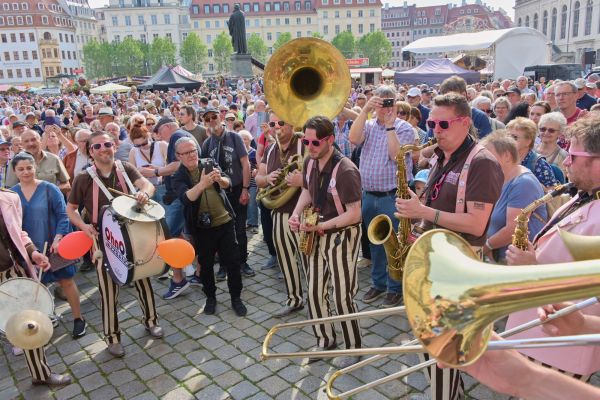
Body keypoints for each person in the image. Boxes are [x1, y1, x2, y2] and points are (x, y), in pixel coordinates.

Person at [395, 93, 503, 400]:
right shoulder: (441, 155)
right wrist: (415, 214)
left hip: (460, 266)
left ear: (465, 122)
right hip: (435, 259)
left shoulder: (481, 162)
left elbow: (476, 225)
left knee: (442, 348)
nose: (435, 129)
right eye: (432, 122)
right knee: (432, 345)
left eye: (443, 123)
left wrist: (423, 212)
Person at [505, 114, 600, 383]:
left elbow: (590, 290)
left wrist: (533, 268)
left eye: (573, 156)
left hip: (562, 344)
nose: (566, 162)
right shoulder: (584, 193)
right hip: (541, 331)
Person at [66, 131, 163, 358]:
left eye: (107, 144)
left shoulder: (125, 168)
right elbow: (71, 209)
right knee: (108, 290)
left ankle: (151, 321)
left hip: (133, 233)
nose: (103, 149)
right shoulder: (84, 178)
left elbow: (147, 185)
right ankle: (112, 337)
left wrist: (144, 194)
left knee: (143, 279)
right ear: (90, 152)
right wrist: (83, 226)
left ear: (114, 145)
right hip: (103, 240)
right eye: (97, 146)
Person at [289, 115, 363, 369]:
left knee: (343, 296)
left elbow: (355, 213)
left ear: (330, 140)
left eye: (315, 142)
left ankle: (354, 347)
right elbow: (308, 191)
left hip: (342, 235)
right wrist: (296, 213)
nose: (309, 146)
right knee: (313, 291)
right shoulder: (310, 161)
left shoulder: (346, 170)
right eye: (306, 141)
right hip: (316, 231)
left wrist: (321, 225)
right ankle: (325, 339)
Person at [349, 85, 415, 308]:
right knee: (375, 243)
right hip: (368, 194)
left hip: (391, 195)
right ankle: (378, 283)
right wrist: (364, 109)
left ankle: (394, 287)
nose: (385, 106)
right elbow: (353, 138)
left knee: (394, 244)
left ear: (396, 104)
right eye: (380, 101)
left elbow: (396, 155)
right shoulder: (367, 124)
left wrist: (389, 127)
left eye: (389, 102)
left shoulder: (404, 127)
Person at [0, 187, 71, 386]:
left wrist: (33, 252)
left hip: (12, 274)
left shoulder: (8, 197)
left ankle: (40, 374)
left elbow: (18, 233)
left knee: (28, 323)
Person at [11, 152, 86, 338]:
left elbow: (62, 215)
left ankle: (78, 319)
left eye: (29, 167)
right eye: (21, 169)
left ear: (35, 167)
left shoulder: (49, 188)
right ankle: (46, 318)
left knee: (66, 281)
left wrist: (59, 238)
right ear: (14, 171)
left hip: (55, 245)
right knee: (39, 287)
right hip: (31, 249)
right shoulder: (12, 194)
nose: (26, 172)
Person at [171, 137, 247, 316]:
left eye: (193, 151)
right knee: (205, 266)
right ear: (178, 156)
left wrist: (220, 179)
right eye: (186, 153)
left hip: (225, 222)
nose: (191, 155)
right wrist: (202, 184)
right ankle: (210, 298)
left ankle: (236, 298)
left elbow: (227, 183)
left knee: (233, 262)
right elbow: (186, 198)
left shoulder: (208, 163)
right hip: (202, 228)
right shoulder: (178, 175)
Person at [255, 113, 305, 317]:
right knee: (285, 258)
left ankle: (320, 300)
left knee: (309, 259)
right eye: (273, 123)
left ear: (292, 124)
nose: (277, 127)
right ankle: (295, 299)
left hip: (303, 213)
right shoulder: (270, 148)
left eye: (281, 123)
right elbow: (258, 178)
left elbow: (324, 172)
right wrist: (267, 178)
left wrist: (302, 180)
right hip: (278, 212)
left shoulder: (304, 143)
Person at [144, 117, 197, 299]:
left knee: (169, 238)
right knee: (183, 235)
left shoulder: (177, 137)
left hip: (177, 197)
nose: (159, 137)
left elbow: (177, 165)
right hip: (180, 195)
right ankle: (194, 272)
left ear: (166, 127)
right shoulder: (183, 135)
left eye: (159, 132)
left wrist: (154, 172)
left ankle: (178, 279)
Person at [201, 107, 254, 279]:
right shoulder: (207, 144)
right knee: (221, 231)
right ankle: (224, 264)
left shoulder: (234, 137)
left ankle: (242, 262)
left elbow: (245, 164)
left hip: (237, 188)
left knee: (240, 229)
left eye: (214, 116)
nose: (211, 120)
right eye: (207, 119)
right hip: (218, 193)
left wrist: (245, 189)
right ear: (205, 123)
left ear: (220, 117)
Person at [480, 131, 547, 263]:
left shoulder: (523, 183)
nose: (482, 159)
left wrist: (486, 247)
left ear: (507, 156)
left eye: (487, 155)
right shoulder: (499, 177)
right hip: (499, 255)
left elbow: (513, 229)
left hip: (514, 261)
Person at [5, 129, 70, 192]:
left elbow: (67, 185)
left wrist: (49, 190)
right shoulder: (15, 162)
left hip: (51, 201)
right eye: (26, 141)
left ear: (40, 140)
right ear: (22, 144)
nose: (30, 143)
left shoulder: (54, 159)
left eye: (33, 140)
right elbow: (11, 189)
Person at [506, 117, 559, 189]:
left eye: (515, 137)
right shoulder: (503, 158)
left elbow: (552, 192)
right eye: (507, 136)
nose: (509, 140)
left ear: (528, 141)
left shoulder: (539, 164)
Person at [128, 123, 168, 204]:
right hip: (145, 190)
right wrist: (139, 171)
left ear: (148, 136)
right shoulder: (133, 151)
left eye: (144, 143)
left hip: (163, 188)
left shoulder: (162, 145)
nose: (142, 147)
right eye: (138, 145)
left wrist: (156, 170)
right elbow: (131, 174)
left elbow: (171, 167)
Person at [535, 112, 569, 178]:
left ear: (560, 133)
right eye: (543, 129)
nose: (546, 132)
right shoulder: (530, 149)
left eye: (551, 130)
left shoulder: (563, 156)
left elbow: (560, 183)